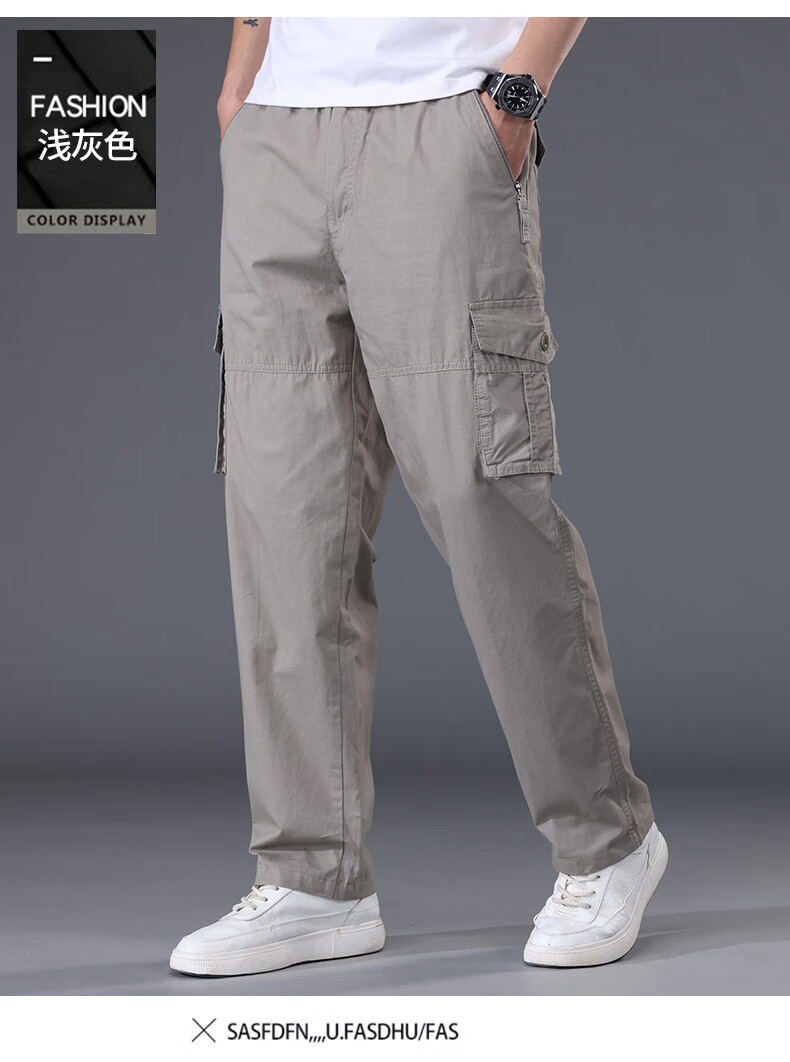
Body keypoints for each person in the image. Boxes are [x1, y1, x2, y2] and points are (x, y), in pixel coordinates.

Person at [170, 16, 667, 977]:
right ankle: (314, 876)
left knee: (482, 493)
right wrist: (243, 80)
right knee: (284, 519)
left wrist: (517, 94)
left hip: (442, 118)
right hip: (278, 130)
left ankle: (607, 842)